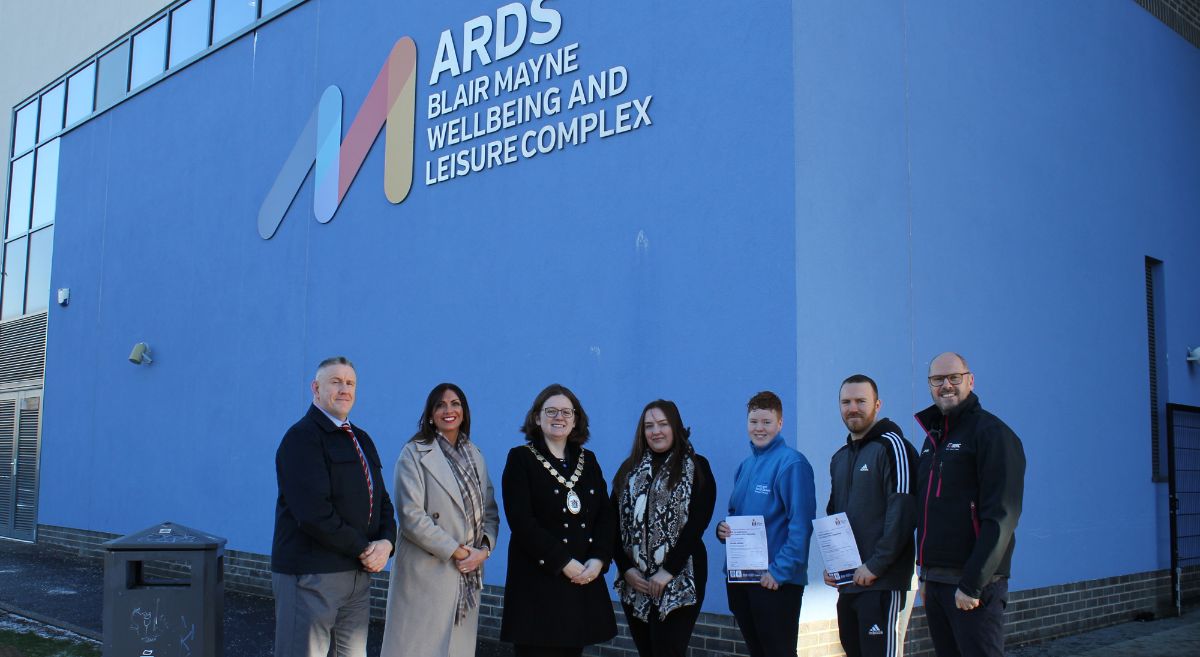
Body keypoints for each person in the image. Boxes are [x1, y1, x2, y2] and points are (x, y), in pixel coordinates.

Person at [271, 356, 396, 657]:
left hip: (356, 576)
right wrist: (365, 549)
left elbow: (382, 500)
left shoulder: (361, 439)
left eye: (350, 383)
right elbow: (314, 513)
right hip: (312, 575)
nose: (344, 389)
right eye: (336, 382)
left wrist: (387, 543)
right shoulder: (302, 438)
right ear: (315, 388)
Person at [915, 353, 1026, 657]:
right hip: (937, 583)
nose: (946, 385)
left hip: (973, 587)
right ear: (929, 385)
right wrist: (924, 574)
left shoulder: (993, 435)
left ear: (970, 380)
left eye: (954, 377)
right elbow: (927, 511)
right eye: (938, 379)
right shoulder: (932, 439)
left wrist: (973, 583)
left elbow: (1002, 517)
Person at [381, 383, 500, 657]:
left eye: (455, 403)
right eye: (440, 405)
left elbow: (490, 510)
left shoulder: (475, 455)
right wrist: (460, 552)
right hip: (428, 572)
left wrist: (483, 550)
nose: (449, 410)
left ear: (464, 411)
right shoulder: (413, 453)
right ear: (430, 413)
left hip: (467, 571)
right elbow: (411, 518)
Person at [500, 383, 617, 657]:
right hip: (538, 587)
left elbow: (605, 515)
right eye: (550, 411)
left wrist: (599, 559)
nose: (559, 417)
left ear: (576, 420)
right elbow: (521, 521)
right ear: (537, 418)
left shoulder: (589, 461)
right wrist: (563, 562)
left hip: (580, 584)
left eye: (566, 412)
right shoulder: (520, 459)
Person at [612, 400, 717, 657]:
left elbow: (697, 525)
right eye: (649, 426)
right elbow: (610, 523)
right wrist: (625, 569)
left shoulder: (696, 466)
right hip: (637, 582)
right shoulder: (629, 469)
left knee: (668, 651)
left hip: (680, 578)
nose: (655, 431)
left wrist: (667, 571)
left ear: (675, 426)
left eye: (663, 424)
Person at [823, 374, 919, 657]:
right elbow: (834, 515)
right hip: (849, 585)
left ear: (877, 405)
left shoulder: (893, 446)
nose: (853, 408)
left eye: (860, 401)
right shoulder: (840, 458)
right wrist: (834, 565)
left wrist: (876, 565)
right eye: (846, 402)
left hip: (882, 583)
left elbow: (903, 511)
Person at [716, 390, 816, 657]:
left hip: (775, 582)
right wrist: (722, 530)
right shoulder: (745, 466)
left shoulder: (792, 463)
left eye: (766, 422)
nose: (759, 428)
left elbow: (801, 525)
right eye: (753, 422)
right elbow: (736, 514)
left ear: (780, 423)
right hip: (742, 579)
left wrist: (779, 572)